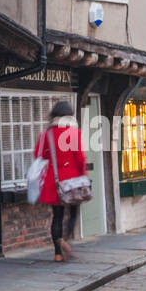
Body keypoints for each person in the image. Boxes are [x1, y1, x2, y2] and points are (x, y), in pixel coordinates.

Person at [34, 101, 86, 262]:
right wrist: (83, 175)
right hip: (72, 179)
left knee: (57, 216)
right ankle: (65, 239)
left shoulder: (46, 134)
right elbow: (80, 157)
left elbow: (38, 155)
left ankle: (57, 254)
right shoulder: (73, 132)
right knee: (74, 212)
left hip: (53, 180)